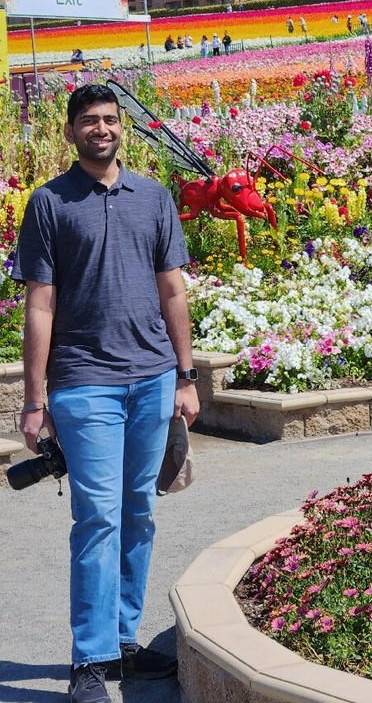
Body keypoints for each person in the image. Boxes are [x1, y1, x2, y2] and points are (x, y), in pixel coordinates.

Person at [13, 83, 199, 703]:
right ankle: (88, 659)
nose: (102, 129)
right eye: (89, 121)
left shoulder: (153, 197)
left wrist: (185, 375)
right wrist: (34, 398)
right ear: (71, 132)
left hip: (151, 378)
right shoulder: (48, 203)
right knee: (96, 519)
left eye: (111, 119)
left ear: (124, 129)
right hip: (83, 382)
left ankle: (121, 640)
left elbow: (173, 290)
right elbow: (39, 305)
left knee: (138, 513)